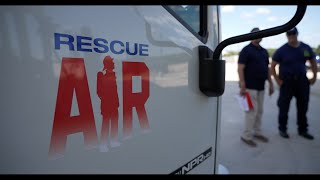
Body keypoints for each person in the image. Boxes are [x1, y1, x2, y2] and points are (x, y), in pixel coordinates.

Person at [271, 27, 317, 140]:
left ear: (297, 34)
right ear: (286, 35)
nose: (291, 36)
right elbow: (273, 66)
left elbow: (312, 61)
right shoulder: (282, 50)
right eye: (289, 34)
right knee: (284, 106)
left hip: (302, 81)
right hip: (287, 82)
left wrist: (314, 76)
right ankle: (282, 129)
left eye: (293, 33)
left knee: (303, 107)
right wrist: (277, 80)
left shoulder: (305, 48)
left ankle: (302, 130)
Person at [238, 27, 274, 147]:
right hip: (249, 87)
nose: (259, 36)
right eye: (256, 34)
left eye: (261, 34)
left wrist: (271, 83)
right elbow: (240, 68)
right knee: (251, 112)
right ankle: (246, 136)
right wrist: (242, 85)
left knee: (260, 111)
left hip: (261, 87)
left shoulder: (264, 51)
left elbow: (267, 68)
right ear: (251, 36)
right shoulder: (246, 50)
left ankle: (257, 132)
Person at [97, 56, 120, 152]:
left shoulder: (113, 74)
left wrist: (117, 102)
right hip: (106, 105)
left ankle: (113, 141)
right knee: (105, 124)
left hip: (114, 104)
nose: (114, 64)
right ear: (108, 64)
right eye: (112, 62)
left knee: (114, 123)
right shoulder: (101, 74)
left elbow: (115, 90)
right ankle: (103, 144)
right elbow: (99, 91)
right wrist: (106, 101)